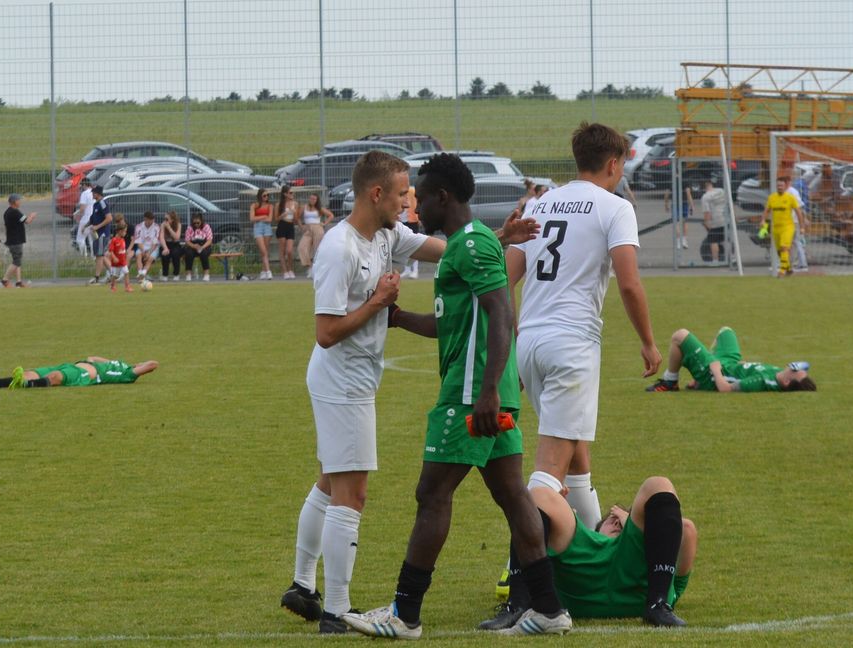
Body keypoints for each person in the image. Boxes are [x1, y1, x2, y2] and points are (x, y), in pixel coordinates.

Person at [281, 151, 539, 635]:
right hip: (342, 378)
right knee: (352, 492)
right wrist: (379, 303)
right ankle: (335, 611)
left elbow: (450, 248)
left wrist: (499, 237)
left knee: (330, 480)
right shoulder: (339, 248)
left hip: (358, 376)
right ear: (376, 194)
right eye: (402, 193)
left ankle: (302, 584)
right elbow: (326, 333)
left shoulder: (388, 234)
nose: (409, 202)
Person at [342, 154, 572, 639]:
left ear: (442, 197)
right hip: (485, 391)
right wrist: (398, 318)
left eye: (420, 197)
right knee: (513, 496)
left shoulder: (470, 245)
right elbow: (451, 323)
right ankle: (549, 609)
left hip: (472, 395)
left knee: (432, 494)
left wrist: (486, 391)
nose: (415, 206)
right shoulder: (466, 245)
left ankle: (405, 613)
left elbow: (502, 313)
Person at [505, 121, 660, 542]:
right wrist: (648, 342)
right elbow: (629, 283)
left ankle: (598, 545)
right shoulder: (614, 208)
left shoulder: (540, 203)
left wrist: (517, 339)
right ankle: (518, 569)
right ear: (613, 164)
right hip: (571, 344)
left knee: (575, 456)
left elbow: (504, 279)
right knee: (548, 471)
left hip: (531, 342)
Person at [483, 476, 697, 629]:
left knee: (659, 483)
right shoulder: (585, 540)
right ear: (596, 528)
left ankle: (658, 605)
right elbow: (536, 532)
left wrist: (637, 528)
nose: (616, 522)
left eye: (620, 521)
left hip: (641, 579)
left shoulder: (648, 553)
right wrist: (556, 514)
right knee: (539, 495)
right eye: (611, 520)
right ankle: (518, 604)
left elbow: (686, 529)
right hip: (579, 571)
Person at [646, 326, 816, 393]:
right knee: (726, 331)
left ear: (786, 382)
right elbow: (751, 368)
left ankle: (670, 382)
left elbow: (726, 389)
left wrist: (715, 370)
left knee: (680, 336)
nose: (794, 366)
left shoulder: (761, 382)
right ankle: (699, 373)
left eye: (795, 370)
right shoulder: (779, 373)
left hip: (715, 375)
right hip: (730, 364)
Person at [0, 357, 158, 391]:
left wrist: (137, 366)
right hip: (73, 365)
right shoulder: (119, 364)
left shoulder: (127, 374)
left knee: (55, 378)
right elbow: (92, 356)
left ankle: (26, 385)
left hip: (84, 375)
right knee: (30, 372)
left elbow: (153, 364)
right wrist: (111, 361)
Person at [759, 176, 804, 277]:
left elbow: (798, 212)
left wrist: (802, 227)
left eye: (781, 186)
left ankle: (782, 271)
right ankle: (788, 268)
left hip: (787, 227)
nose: (780, 187)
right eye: (778, 186)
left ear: (785, 186)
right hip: (776, 228)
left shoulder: (790, 198)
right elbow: (767, 210)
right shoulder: (772, 198)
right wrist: (763, 220)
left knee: (784, 247)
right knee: (779, 251)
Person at [1, 193, 37, 288]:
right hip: (16, 241)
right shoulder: (15, 212)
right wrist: (32, 216)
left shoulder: (7, 212)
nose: (20, 202)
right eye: (19, 200)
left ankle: (18, 281)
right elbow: (27, 221)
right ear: (14, 202)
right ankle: (5, 280)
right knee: (16, 261)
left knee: (17, 261)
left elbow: (6, 226)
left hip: (11, 239)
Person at [297, 193, 334, 279]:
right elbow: (297, 217)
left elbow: (331, 215)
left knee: (317, 250)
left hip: (317, 227)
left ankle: (318, 269)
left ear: (317, 200)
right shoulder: (304, 207)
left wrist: (324, 223)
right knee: (302, 248)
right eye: (311, 198)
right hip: (308, 228)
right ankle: (310, 267)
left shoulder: (319, 208)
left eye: (314, 199)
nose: (312, 200)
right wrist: (301, 226)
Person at [87, 185, 113, 285]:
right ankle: (113, 274)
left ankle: (96, 277)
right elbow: (93, 219)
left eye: (93, 193)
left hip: (102, 234)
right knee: (100, 255)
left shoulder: (102, 203)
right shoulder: (96, 204)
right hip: (97, 235)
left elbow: (109, 218)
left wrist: (97, 227)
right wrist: (85, 226)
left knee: (99, 255)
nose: (92, 195)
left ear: (98, 194)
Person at [700, 177, 728, 264]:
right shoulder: (721, 191)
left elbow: (707, 213)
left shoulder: (706, 197)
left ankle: (715, 260)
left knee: (713, 240)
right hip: (726, 218)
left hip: (716, 221)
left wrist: (707, 223)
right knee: (726, 239)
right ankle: (732, 258)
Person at [250, 188, 275, 280]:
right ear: (260, 196)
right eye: (264, 195)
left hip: (267, 228)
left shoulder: (270, 206)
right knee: (263, 250)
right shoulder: (254, 205)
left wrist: (259, 217)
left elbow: (270, 219)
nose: (266, 197)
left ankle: (263, 271)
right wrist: (263, 216)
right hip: (258, 228)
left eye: (267, 195)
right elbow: (252, 218)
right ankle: (268, 271)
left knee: (265, 251)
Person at [275, 185, 299, 279]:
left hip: (290, 226)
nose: (292, 194)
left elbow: (296, 220)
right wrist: (284, 214)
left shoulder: (295, 204)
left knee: (289, 250)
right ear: (285, 194)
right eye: (290, 193)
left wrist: (294, 213)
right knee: (282, 251)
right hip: (282, 225)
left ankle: (290, 269)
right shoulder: (279, 204)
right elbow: (276, 219)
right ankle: (284, 271)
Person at [183, 211, 213, 282]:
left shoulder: (206, 227)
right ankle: (188, 274)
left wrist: (202, 247)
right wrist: (193, 246)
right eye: (194, 223)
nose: (196, 224)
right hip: (193, 245)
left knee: (204, 253)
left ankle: (206, 274)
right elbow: (187, 241)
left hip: (204, 245)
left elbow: (209, 240)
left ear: (201, 221)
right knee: (188, 253)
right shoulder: (189, 228)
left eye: (198, 223)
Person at [132, 211, 161, 282]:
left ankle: (143, 274)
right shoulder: (138, 226)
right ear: (145, 219)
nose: (152, 221)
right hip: (142, 247)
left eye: (153, 220)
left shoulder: (156, 227)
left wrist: (149, 252)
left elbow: (155, 242)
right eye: (150, 220)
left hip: (153, 248)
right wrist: (143, 251)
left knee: (150, 259)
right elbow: (138, 241)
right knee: (138, 256)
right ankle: (140, 273)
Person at [790, 173, 811, 272]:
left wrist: (804, 219)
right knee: (796, 242)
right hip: (791, 221)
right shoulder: (793, 191)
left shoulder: (792, 192)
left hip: (793, 221)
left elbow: (800, 207)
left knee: (797, 242)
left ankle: (802, 263)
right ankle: (799, 263)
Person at [664, 185, 694, 250]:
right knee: (684, 222)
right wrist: (691, 205)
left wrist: (666, 204)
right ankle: (684, 241)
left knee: (676, 222)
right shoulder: (685, 180)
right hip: (684, 202)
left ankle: (678, 242)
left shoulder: (671, 180)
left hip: (675, 203)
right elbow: (688, 193)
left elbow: (666, 194)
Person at [106, 221, 133, 292]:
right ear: (120, 231)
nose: (125, 233)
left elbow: (122, 250)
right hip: (115, 263)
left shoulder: (122, 239)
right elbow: (111, 251)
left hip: (123, 262)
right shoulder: (114, 240)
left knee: (126, 272)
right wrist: (114, 257)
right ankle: (112, 286)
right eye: (125, 231)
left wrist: (125, 253)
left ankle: (127, 287)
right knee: (115, 276)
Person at [400, 185, 420, 278]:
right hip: (402, 221)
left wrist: (418, 218)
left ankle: (415, 270)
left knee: (414, 246)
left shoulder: (412, 190)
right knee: (404, 247)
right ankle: (407, 270)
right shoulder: (397, 190)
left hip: (412, 220)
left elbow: (416, 203)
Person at [159, 209, 183, 281]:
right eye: (164, 219)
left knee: (175, 254)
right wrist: (165, 248)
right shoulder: (163, 224)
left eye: (167, 219)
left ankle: (176, 274)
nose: (165, 221)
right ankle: (165, 274)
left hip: (175, 244)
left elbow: (177, 237)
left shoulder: (178, 224)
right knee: (165, 255)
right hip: (165, 244)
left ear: (172, 220)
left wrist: (169, 228)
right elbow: (161, 238)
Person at [73, 177, 95, 256]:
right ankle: (93, 256)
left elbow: (82, 208)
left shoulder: (84, 194)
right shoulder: (93, 192)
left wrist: (76, 214)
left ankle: (84, 255)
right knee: (91, 239)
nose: (81, 187)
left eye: (82, 185)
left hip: (86, 219)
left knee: (80, 239)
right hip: (93, 219)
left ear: (85, 184)